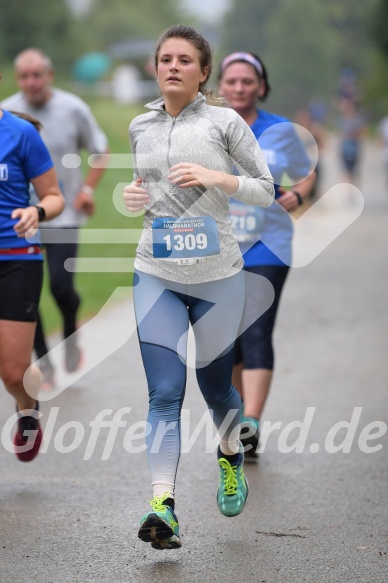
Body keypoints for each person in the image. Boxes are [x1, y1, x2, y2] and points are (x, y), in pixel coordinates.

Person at [123, 25, 274, 549]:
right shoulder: (140, 125)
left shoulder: (225, 122)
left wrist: (219, 179)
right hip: (156, 272)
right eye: (165, 58)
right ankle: (162, 505)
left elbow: (265, 190)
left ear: (203, 72)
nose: (173, 67)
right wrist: (132, 199)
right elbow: (143, 193)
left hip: (217, 278)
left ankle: (230, 452)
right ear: (155, 67)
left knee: (215, 390)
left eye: (185, 60)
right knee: (164, 392)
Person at [218, 52, 316, 460]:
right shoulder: (208, 127)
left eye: (247, 81)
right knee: (231, 337)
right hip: (220, 246)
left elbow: (307, 171)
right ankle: (240, 416)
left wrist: (298, 193)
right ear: (220, 85)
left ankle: (251, 423)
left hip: (268, 244)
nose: (240, 88)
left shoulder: (281, 130)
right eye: (232, 81)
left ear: (260, 85)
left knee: (256, 328)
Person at [2, 48, 109, 389]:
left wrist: (87, 191)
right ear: (17, 79)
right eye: (25, 77)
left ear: (49, 75)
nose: (31, 83)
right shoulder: (7, 111)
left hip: (63, 214)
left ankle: (70, 331)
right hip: (19, 223)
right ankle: (44, 367)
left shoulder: (73, 108)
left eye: (37, 75)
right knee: (24, 298)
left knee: (62, 288)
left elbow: (100, 151)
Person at [0, 71, 64, 461]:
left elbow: (54, 196)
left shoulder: (21, 133)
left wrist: (36, 211)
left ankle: (28, 409)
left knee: (12, 371)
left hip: (16, 260)